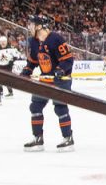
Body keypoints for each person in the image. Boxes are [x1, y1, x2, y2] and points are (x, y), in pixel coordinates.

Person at [20, 15, 75, 151]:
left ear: (39, 26)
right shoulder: (34, 41)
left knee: (60, 108)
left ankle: (68, 138)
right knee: (35, 106)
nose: (29, 27)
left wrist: (60, 70)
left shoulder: (56, 39)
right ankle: (38, 139)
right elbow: (33, 61)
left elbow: (68, 59)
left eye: (31, 24)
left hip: (60, 80)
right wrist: (27, 70)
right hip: (45, 79)